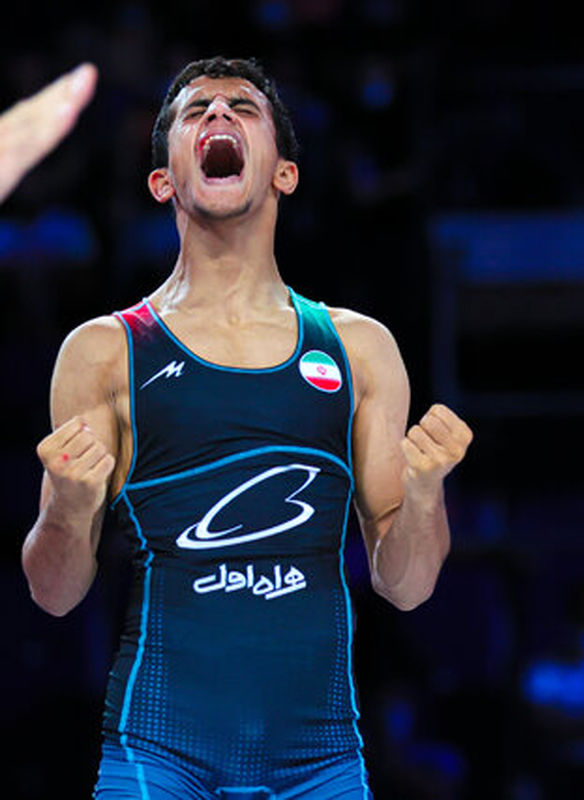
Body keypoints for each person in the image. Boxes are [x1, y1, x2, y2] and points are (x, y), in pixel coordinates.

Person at [20, 56, 472, 799]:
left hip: (319, 765)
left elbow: (408, 586)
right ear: (163, 180)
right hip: (156, 759)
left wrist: (423, 495)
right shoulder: (104, 352)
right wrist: (69, 508)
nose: (218, 116)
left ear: (284, 175)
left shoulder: (357, 349)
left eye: (242, 107)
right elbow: (55, 594)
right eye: (195, 111)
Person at [0, 62, 96, 204]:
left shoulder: (68, 123)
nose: (29, 76)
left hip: (56, 200)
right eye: (25, 72)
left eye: (34, 71)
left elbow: (76, 160)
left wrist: (44, 184)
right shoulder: (6, 102)